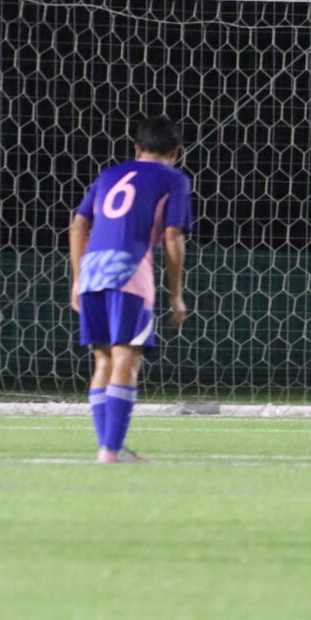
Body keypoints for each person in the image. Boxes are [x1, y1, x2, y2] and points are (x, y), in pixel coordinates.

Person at [69, 115, 192, 463]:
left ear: (137, 149)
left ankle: (110, 446)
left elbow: (78, 225)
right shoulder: (174, 179)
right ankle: (111, 450)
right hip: (129, 271)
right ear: (177, 152)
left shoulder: (109, 174)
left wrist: (77, 278)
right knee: (126, 356)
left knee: (103, 358)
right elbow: (172, 236)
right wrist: (176, 293)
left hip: (93, 270)